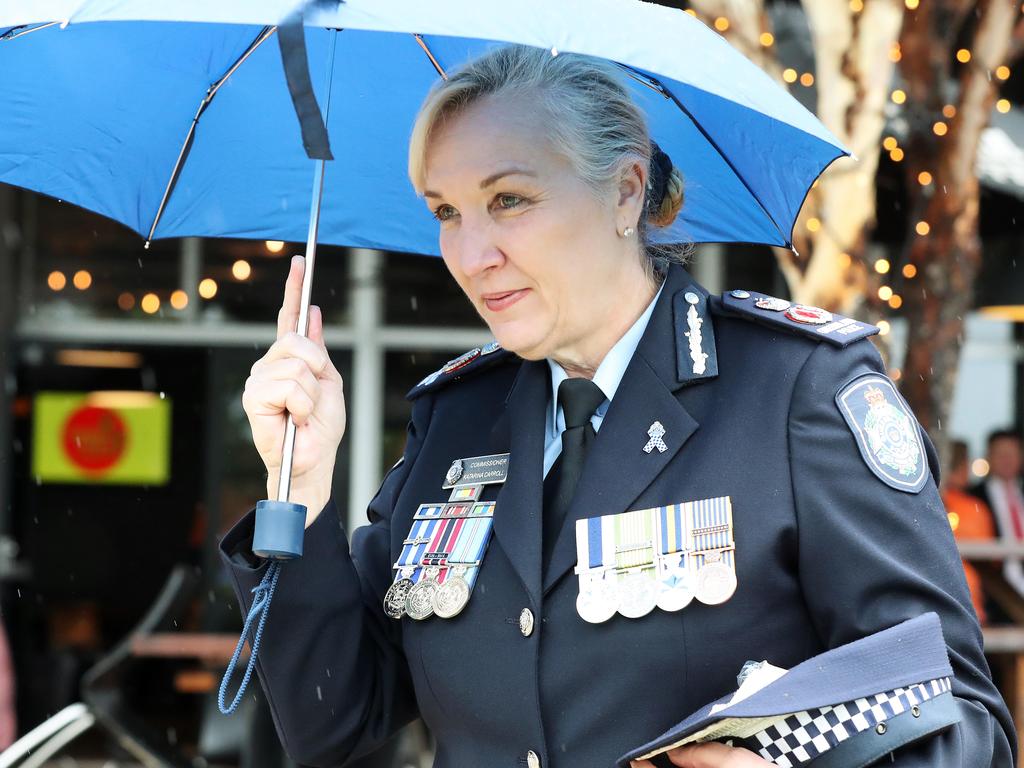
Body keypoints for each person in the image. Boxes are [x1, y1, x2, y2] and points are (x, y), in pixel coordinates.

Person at [219, 45, 1014, 768]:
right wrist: (303, 490)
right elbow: (333, 722)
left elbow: (960, 719)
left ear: (627, 191)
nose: (470, 254)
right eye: (446, 212)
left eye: (510, 200)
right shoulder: (459, 418)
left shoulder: (792, 392)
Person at [943, 440, 996, 623]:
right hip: (969, 597)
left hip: (939, 594)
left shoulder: (922, 502)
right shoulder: (974, 508)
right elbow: (993, 558)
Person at [970, 429, 1024, 599]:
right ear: (988, 456)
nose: (1007, 460)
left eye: (1012, 454)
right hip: (994, 592)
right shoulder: (972, 498)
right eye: (1001, 454)